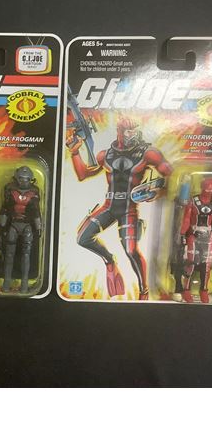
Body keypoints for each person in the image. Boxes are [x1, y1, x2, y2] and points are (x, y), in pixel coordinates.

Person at [67, 116, 172, 300]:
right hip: (109, 206)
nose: (134, 134)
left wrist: (160, 192)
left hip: (129, 209)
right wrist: (75, 152)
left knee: (131, 251)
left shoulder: (148, 153)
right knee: (82, 238)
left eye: (135, 130)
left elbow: (171, 174)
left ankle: (144, 291)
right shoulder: (104, 155)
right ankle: (109, 260)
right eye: (130, 131)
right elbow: (83, 174)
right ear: (120, 132)